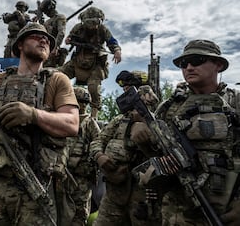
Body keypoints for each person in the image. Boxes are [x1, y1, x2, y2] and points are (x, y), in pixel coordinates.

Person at [0, 22, 79, 225]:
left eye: (47, 40)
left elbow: (71, 123)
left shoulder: (57, 80)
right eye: (35, 36)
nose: (43, 40)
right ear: (19, 45)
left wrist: (33, 115)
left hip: (35, 182)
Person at [132, 39, 240, 225]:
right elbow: (157, 156)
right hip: (176, 213)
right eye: (184, 63)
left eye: (197, 60)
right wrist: (141, 134)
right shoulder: (169, 107)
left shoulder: (235, 102)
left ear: (218, 65)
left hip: (226, 210)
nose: (189, 67)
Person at [93, 70, 161, 226]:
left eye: (129, 87)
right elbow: (98, 141)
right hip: (114, 194)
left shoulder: (158, 121)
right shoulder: (119, 121)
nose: (125, 90)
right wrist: (99, 156)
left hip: (144, 199)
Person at [59, 6, 122, 118]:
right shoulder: (78, 28)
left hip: (96, 63)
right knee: (58, 76)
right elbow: (69, 38)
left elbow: (111, 41)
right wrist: (68, 40)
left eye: (95, 22)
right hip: (78, 59)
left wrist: (117, 51)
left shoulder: (103, 29)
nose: (92, 25)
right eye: (89, 22)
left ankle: (93, 117)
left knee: (93, 88)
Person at [65, 86, 101, 225]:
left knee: (79, 214)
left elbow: (98, 143)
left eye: (85, 102)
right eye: (81, 101)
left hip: (81, 177)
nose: (83, 105)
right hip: (63, 175)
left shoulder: (90, 123)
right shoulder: (64, 119)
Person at [40, 0, 68, 68]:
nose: (45, 13)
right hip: (45, 49)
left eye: (46, 11)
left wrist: (55, 47)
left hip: (53, 51)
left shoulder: (60, 17)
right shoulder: (47, 22)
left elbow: (61, 33)